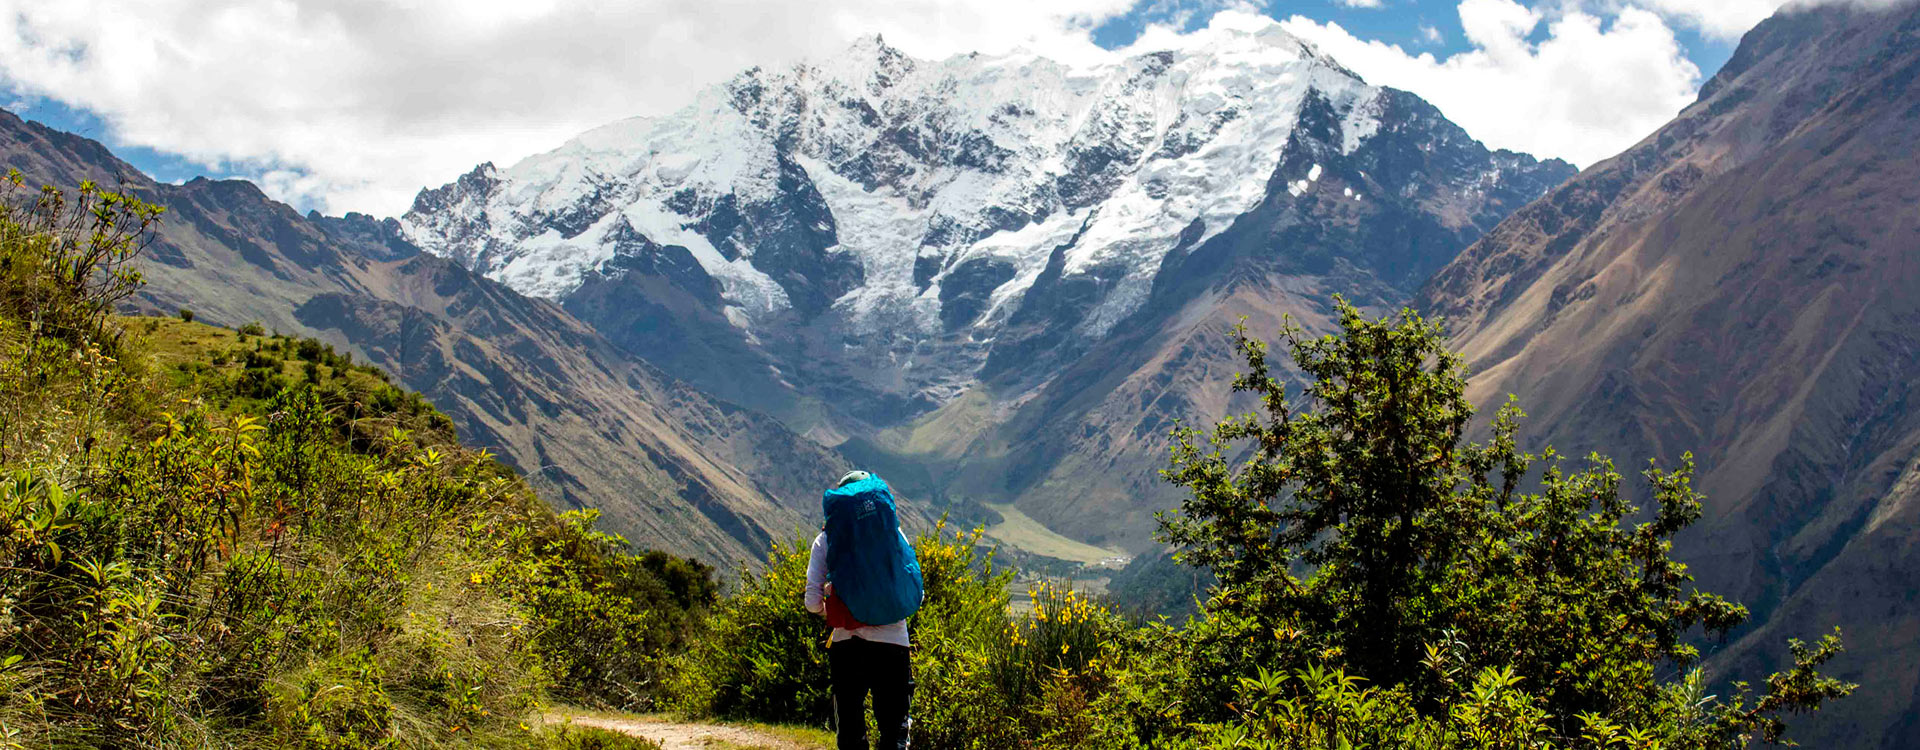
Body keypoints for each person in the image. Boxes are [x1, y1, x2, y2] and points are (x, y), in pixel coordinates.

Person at [805, 470, 917, 750]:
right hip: (893, 642)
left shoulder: (826, 539)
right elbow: (916, 590)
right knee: (894, 729)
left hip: (847, 644)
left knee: (851, 730)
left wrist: (831, 612)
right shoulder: (892, 532)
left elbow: (811, 602)